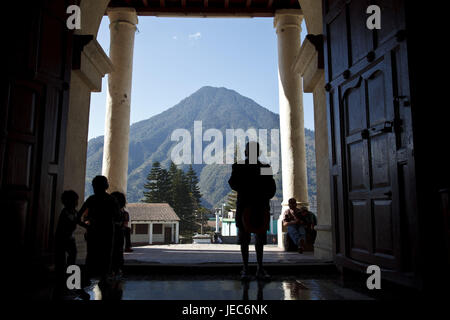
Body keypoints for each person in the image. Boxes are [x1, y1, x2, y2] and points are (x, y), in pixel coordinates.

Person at [228, 141, 276, 281]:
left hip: (245, 205)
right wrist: (261, 194)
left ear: (246, 152)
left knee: (246, 239)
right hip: (260, 206)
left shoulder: (238, 167)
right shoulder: (265, 167)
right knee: (258, 239)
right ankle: (259, 268)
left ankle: (246, 268)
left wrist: (247, 190)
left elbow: (233, 183)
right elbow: (271, 188)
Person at [78, 176, 121, 283]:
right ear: (106, 186)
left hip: (93, 231)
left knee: (91, 254)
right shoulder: (111, 200)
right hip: (108, 231)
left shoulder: (91, 199)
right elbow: (118, 216)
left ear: (94, 186)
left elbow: (78, 217)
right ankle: (104, 277)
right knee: (106, 255)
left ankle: (87, 276)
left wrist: (87, 226)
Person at [54, 190, 79, 287]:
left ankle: (66, 279)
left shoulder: (70, 212)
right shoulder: (67, 213)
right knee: (64, 258)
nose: (76, 202)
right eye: (75, 200)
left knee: (69, 257)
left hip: (67, 238)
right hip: (64, 239)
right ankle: (69, 280)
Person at [110, 191, 127, 277]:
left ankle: (113, 272)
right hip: (118, 236)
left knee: (113, 254)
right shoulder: (123, 213)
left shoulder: (113, 213)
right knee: (117, 253)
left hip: (114, 237)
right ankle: (116, 271)